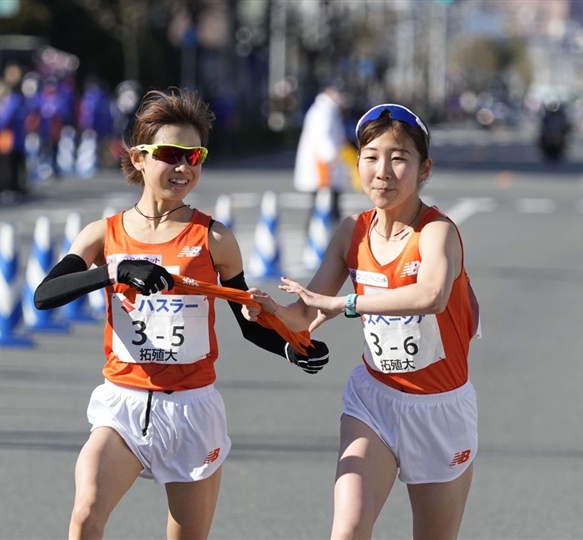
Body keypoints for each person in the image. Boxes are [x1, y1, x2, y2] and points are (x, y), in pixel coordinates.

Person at [33, 88, 329, 540]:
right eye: (170, 155)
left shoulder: (214, 238)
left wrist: (292, 349)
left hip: (191, 411)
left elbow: (247, 324)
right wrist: (116, 271)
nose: (184, 168)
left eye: (195, 156)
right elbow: (46, 295)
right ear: (138, 159)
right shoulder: (103, 234)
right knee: (86, 513)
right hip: (123, 405)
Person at [245, 104, 481, 539]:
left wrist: (351, 304)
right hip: (374, 401)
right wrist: (269, 313)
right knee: (348, 528)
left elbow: (432, 295)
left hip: (440, 409)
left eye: (399, 157)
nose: (383, 171)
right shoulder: (351, 231)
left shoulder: (437, 232)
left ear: (424, 168)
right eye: (370, 156)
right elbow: (306, 315)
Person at [293, 85, 351, 225]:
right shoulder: (323, 112)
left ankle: (327, 241)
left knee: (324, 208)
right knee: (323, 209)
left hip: (326, 170)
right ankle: (324, 242)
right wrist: (339, 156)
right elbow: (323, 143)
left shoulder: (327, 110)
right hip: (323, 171)